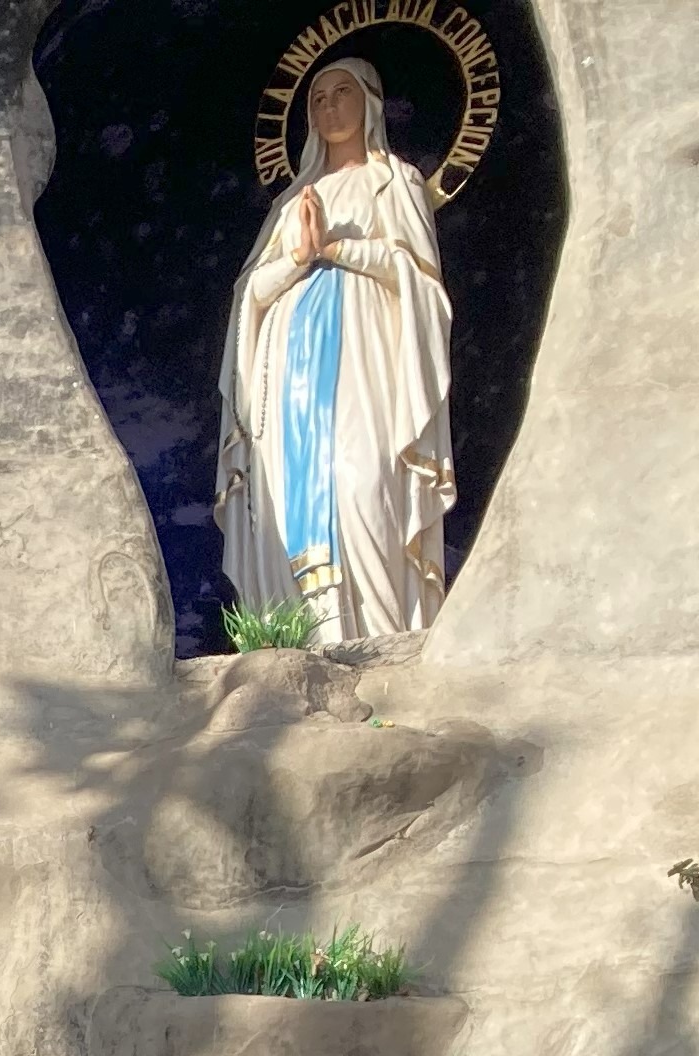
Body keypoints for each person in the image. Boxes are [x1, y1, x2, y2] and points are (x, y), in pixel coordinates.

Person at [215, 53, 453, 644]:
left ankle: (382, 641)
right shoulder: (291, 202)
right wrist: (299, 256)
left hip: (363, 361)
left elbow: (417, 278)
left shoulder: (394, 180)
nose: (327, 108)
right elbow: (253, 294)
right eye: (317, 100)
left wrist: (338, 251)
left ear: (370, 102)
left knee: (363, 484)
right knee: (286, 509)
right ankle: (304, 646)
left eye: (340, 94)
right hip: (290, 373)